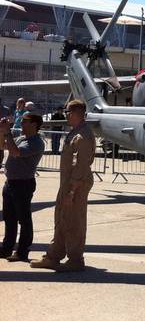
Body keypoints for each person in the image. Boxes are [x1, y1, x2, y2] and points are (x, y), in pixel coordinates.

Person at [31, 100, 96, 272]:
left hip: (76, 184)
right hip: (68, 183)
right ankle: (53, 257)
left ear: (75, 113)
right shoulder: (75, 132)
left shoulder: (83, 136)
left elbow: (81, 166)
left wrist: (72, 192)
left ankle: (75, 260)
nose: (65, 114)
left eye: (67, 112)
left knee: (74, 221)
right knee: (61, 219)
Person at [0, 113, 45, 261]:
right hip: (11, 182)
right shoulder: (21, 138)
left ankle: (22, 251)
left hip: (23, 184)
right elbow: (2, 146)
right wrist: (2, 132)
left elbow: (16, 152)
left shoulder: (37, 142)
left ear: (34, 124)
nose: (21, 123)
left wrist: (8, 132)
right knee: (9, 217)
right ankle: (6, 248)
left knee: (23, 219)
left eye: (25, 121)